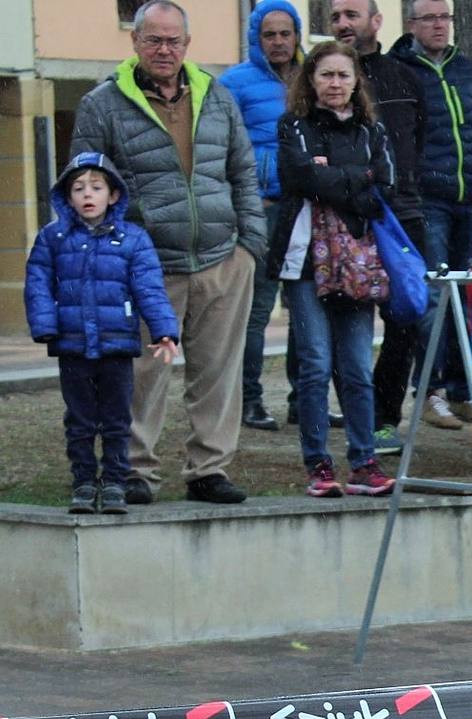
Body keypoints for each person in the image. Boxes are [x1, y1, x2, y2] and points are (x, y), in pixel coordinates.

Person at [69, 0, 266, 505]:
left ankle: (209, 469)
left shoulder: (216, 96)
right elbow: (84, 182)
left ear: (187, 44)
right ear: (134, 42)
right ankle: (135, 471)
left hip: (223, 258)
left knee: (219, 373)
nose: (164, 49)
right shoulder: (102, 104)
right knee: (140, 374)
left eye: (173, 40)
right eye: (153, 39)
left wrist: (250, 246)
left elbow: (243, 172)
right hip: (144, 265)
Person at [267, 40, 396, 499]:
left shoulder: (371, 132)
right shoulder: (293, 126)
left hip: (359, 265)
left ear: (356, 80)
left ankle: (364, 461)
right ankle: (318, 463)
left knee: (359, 368)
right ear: (312, 80)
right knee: (316, 365)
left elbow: (381, 186)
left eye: (343, 75)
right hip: (304, 264)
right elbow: (299, 178)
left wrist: (333, 177)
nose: (335, 84)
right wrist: (352, 176)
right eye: (326, 75)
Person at [24, 153, 181, 514]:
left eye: (96, 187)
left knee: (116, 419)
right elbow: (38, 284)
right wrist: (46, 325)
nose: (87, 195)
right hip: (73, 343)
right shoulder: (53, 237)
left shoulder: (133, 239)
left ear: (113, 195)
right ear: (67, 197)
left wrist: (164, 329)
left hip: (117, 343)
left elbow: (149, 288)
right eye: (78, 188)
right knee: (79, 419)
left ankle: (114, 481)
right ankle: (82, 481)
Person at [392, 0, 472, 430]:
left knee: (468, 297)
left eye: (445, 18)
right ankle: (431, 391)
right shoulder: (400, 69)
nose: (440, 26)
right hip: (429, 200)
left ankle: (462, 390)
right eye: (431, 19)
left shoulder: (465, 68)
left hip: (469, 198)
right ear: (412, 24)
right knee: (435, 296)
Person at [333, 0, 429, 457]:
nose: (342, 23)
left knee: (405, 316)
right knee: (347, 316)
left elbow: (422, 139)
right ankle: (359, 416)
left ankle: (386, 418)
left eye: (351, 14)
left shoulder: (404, 78)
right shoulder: (324, 82)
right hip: (346, 215)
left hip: (402, 214)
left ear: (376, 22)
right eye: (334, 17)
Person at [218, 0, 301, 433]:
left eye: (285, 32)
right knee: (257, 311)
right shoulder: (233, 83)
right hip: (262, 211)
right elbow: (220, 149)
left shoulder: (312, 78)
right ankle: (249, 400)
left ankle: (301, 401)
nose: (279, 41)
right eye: (269, 34)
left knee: (306, 310)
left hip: (306, 209)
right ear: (257, 37)